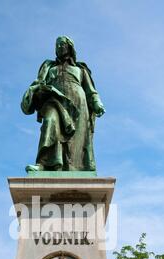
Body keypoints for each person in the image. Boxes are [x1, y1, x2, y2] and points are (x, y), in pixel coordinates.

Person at [21, 36, 105, 172]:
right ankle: (43, 164)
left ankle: (74, 168)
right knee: (50, 120)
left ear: (70, 47)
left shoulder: (81, 69)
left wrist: (97, 103)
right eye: (57, 45)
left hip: (78, 105)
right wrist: (34, 90)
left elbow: (91, 91)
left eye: (62, 44)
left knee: (75, 142)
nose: (59, 47)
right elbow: (39, 82)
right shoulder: (49, 66)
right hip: (54, 100)